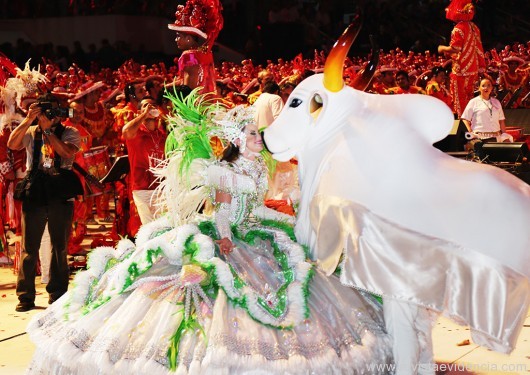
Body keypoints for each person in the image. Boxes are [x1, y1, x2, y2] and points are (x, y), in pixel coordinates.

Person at [25, 91, 392, 373]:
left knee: (302, 275)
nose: (257, 138)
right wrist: (224, 238)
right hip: (228, 235)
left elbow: (256, 205)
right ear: (237, 139)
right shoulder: (223, 172)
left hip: (255, 230)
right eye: (251, 134)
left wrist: (285, 213)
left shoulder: (260, 169)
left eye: (257, 133)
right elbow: (220, 211)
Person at [8, 93, 81, 312]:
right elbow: (12, 144)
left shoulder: (70, 132)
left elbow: (66, 152)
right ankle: (25, 297)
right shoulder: (31, 130)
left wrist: (48, 130)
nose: (51, 115)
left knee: (59, 246)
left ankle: (58, 294)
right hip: (36, 189)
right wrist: (28, 119)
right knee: (30, 247)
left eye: (54, 110)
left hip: (60, 189)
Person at [122, 96, 166, 224]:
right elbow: (126, 131)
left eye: (153, 106)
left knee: (163, 228)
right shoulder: (136, 132)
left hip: (161, 188)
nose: (150, 108)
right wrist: (144, 115)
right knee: (148, 229)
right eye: (146, 106)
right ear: (139, 112)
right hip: (142, 188)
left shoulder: (162, 135)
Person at [438, 0, 485, 116]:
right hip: (473, 69)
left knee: (459, 100)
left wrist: (442, 48)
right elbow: (479, 49)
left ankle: (464, 126)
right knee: (470, 98)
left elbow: (455, 48)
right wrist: (481, 67)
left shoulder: (458, 29)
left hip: (461, 71)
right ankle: (472, 124)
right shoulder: (474, 27)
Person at [168, 0, 223, 94]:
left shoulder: (189, 55)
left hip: (194, 105)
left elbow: (188, 88)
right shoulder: (205, 52)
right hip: (208, 102)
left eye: (178, 36)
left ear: (189, 38)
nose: (176, 40)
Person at [461, 77, 513, 142]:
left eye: (488, 85)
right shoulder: (473, 102)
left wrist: (504, 135)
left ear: (491, 88)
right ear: (479, 88)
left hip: (496, 138)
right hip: (480, 139)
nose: (486, 88)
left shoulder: (496, 102)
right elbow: (465, 119)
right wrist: (470, 132)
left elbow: (501, 121)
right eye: (483, 86)